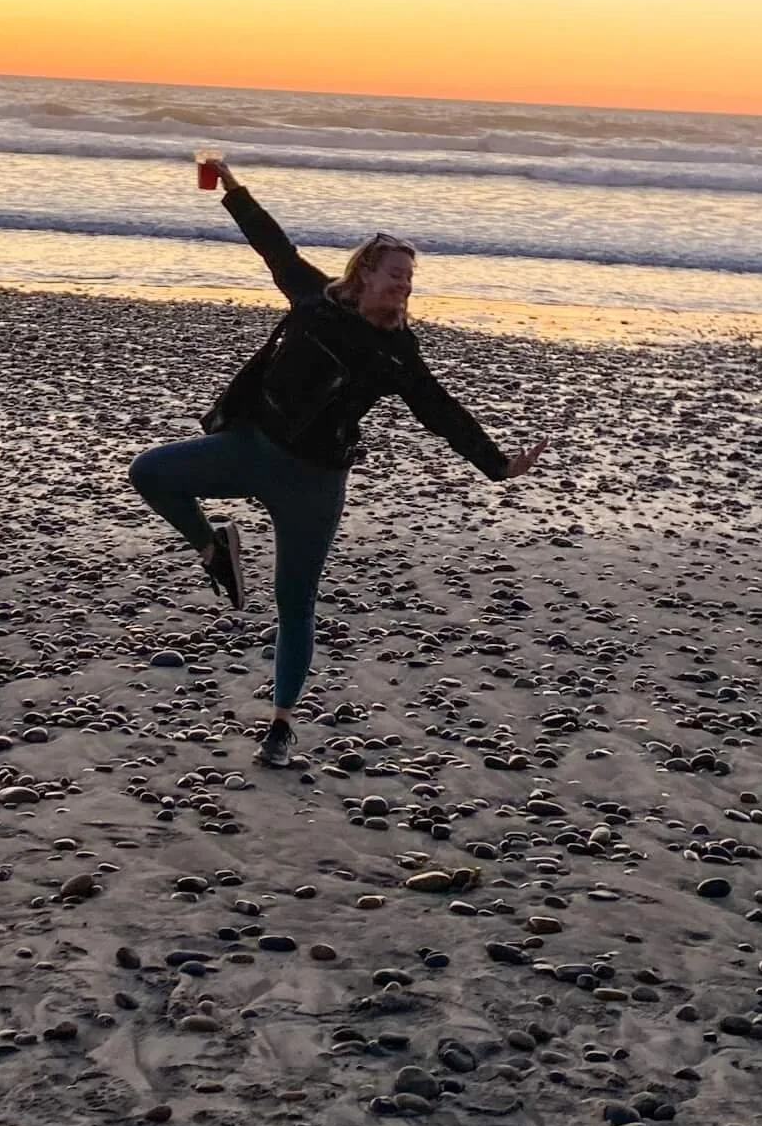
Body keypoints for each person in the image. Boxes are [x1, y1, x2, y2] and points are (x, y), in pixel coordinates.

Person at [128, 157, 546, 768]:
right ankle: (216, 550)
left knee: (294, 601)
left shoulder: (397, 353)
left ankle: (280, 723)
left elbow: (440, 409)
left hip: (315, 483)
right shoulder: (315, 298)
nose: (404, 286)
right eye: (396, 275)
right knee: (150, 473)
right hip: (251, 449)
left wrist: (497, 464)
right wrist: (232, 187)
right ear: (364, 274)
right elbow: (271, 245)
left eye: (410, 278)